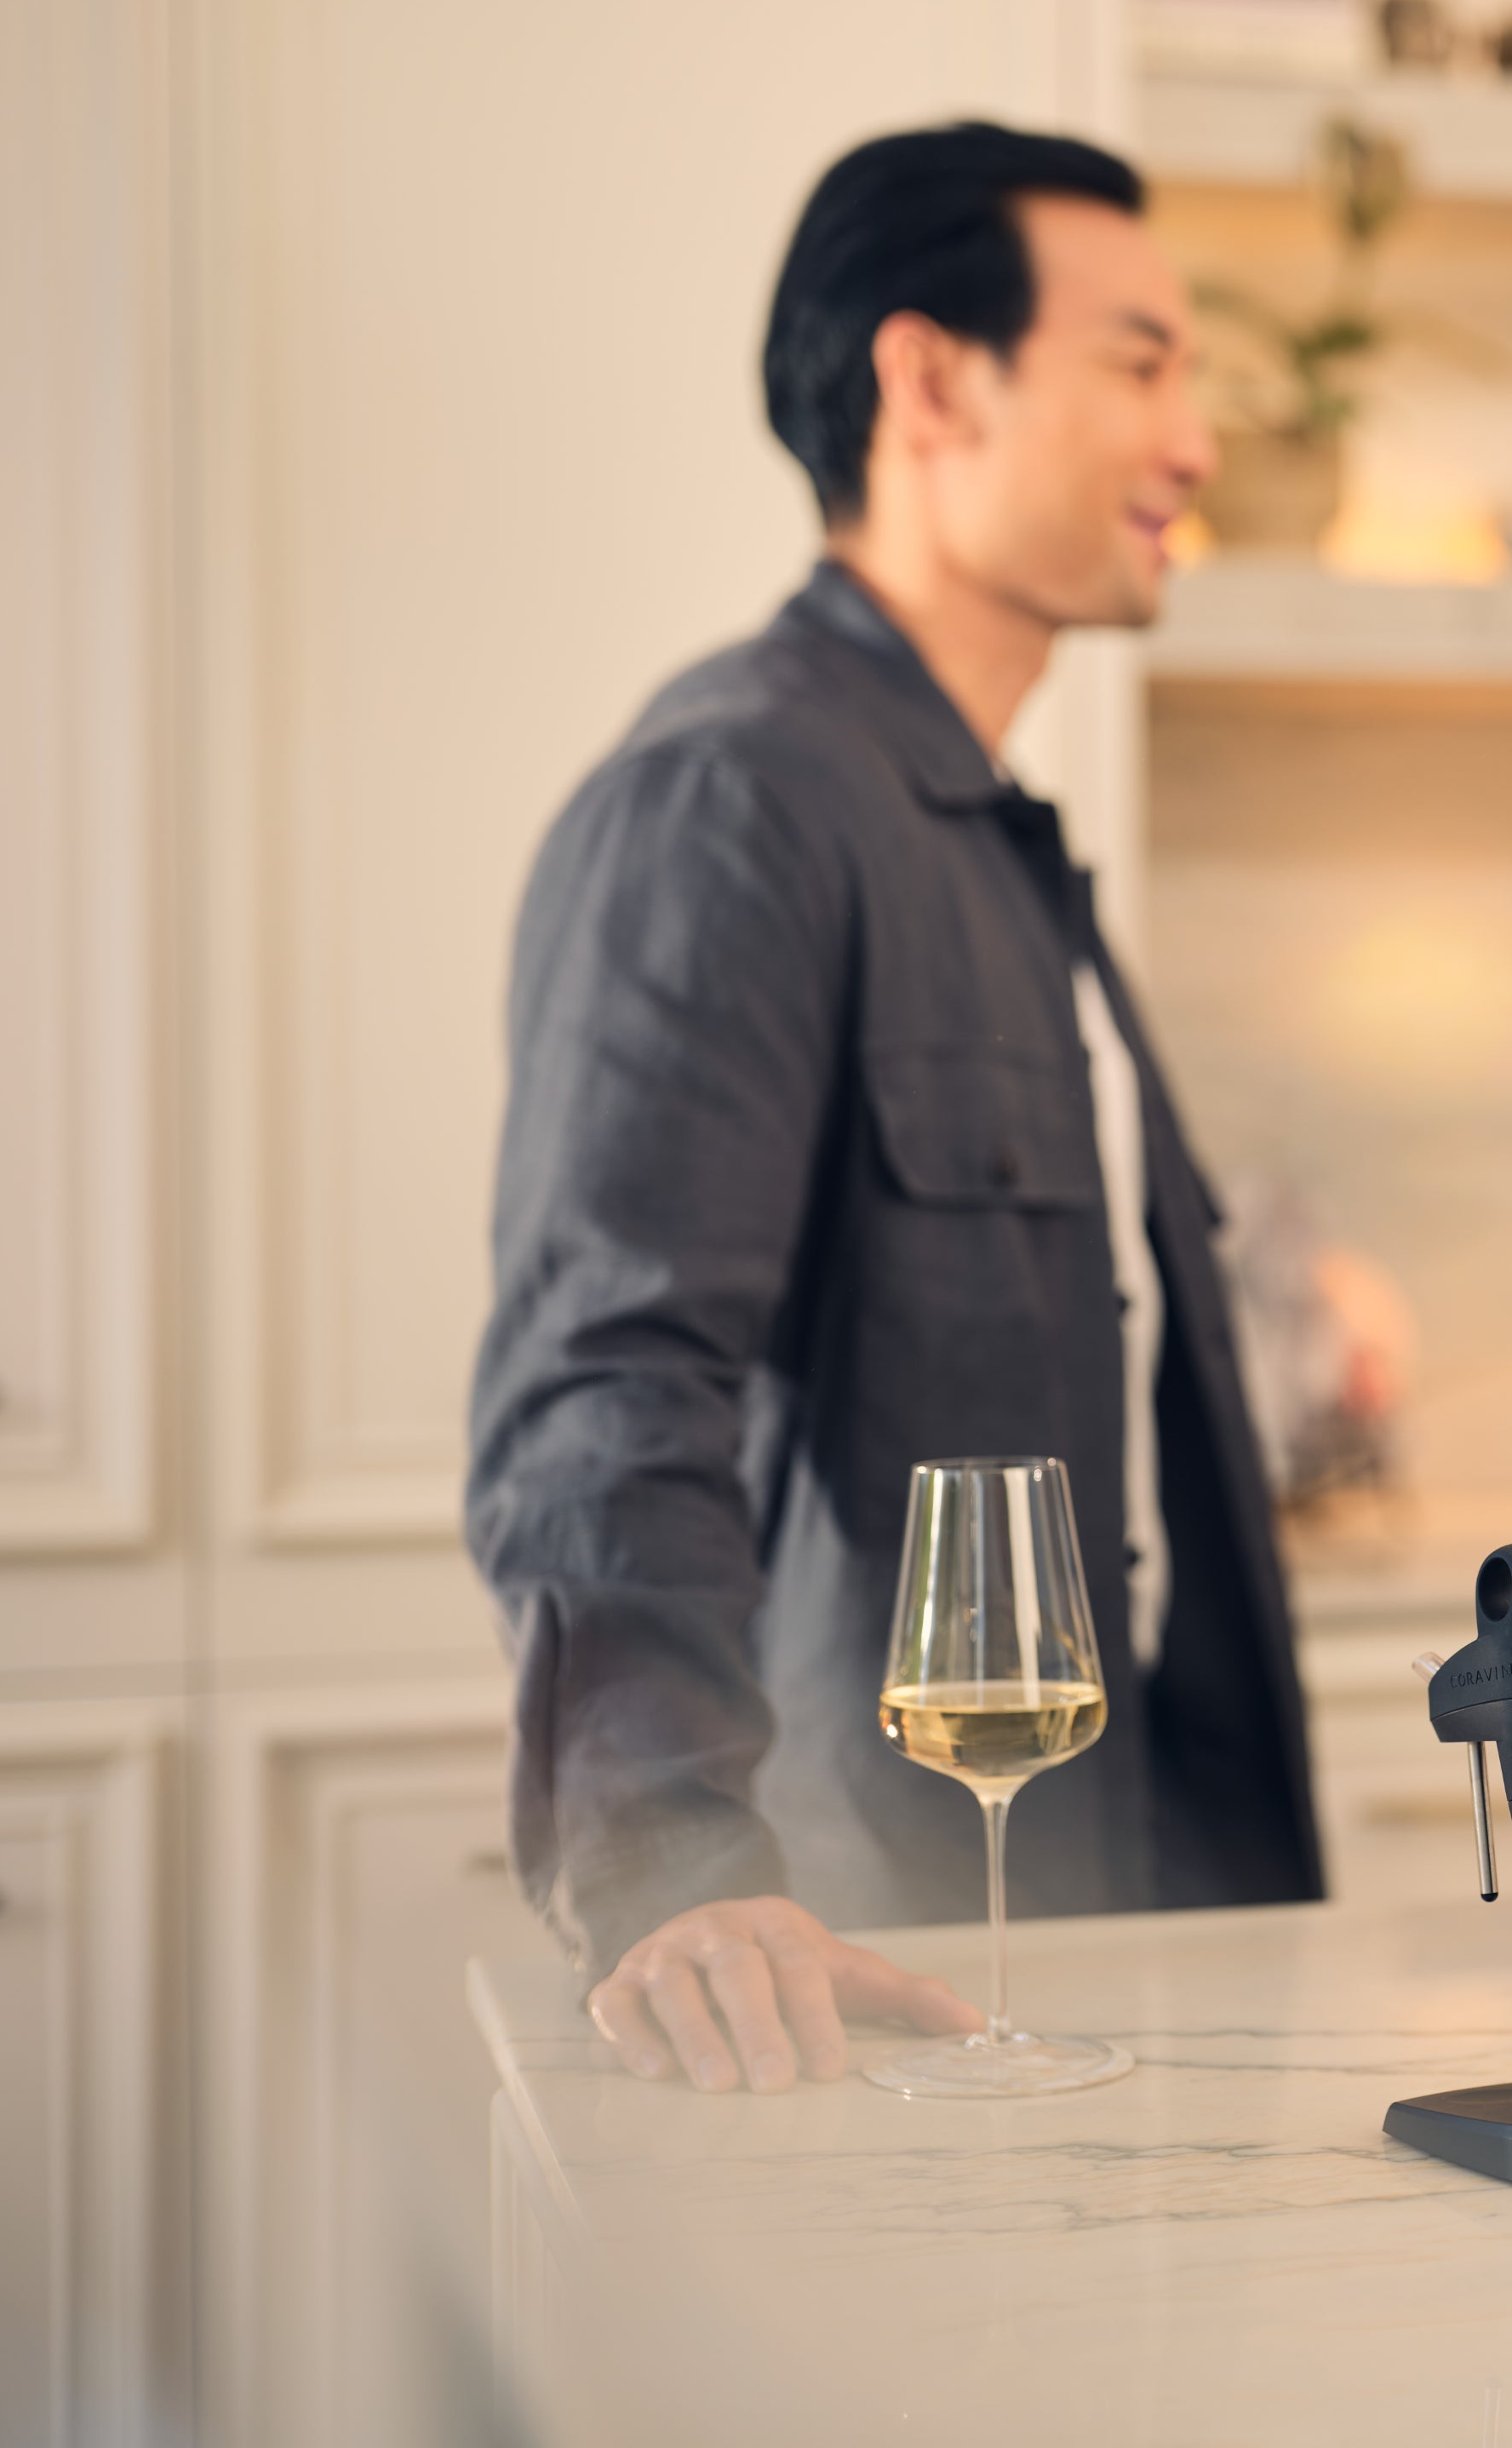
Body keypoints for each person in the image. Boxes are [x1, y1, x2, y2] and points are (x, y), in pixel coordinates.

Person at [467, 123, 1321, 2095]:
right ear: (932, 382)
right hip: (879, 1968)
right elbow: (604, 1373)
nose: (1194, 443)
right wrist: (671, 1857)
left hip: (1130, 1904)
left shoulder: (992, 838)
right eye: (1141, 364)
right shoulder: (735, 798)